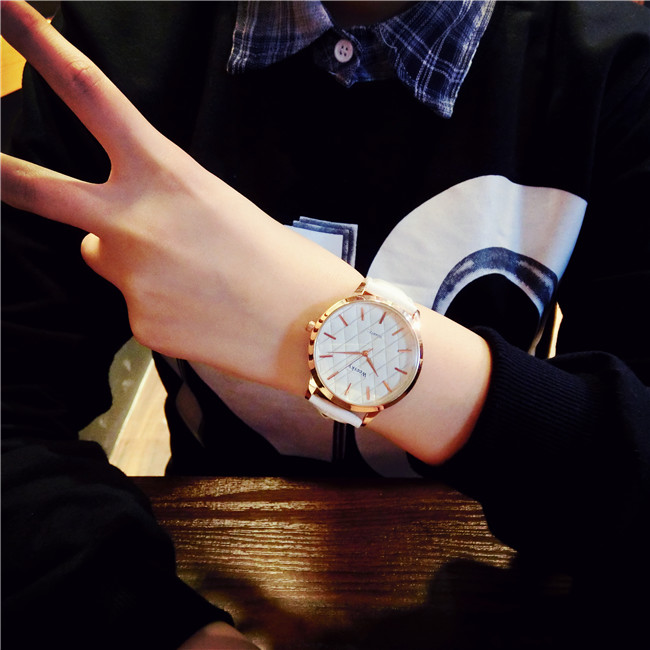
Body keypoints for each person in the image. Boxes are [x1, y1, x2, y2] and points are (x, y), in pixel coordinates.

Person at [2, 0, 649, 648]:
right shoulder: (102, 50)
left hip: (507, 582)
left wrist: (314, 322)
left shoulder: (619, 64)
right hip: (213, 560)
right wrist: (152, 624)